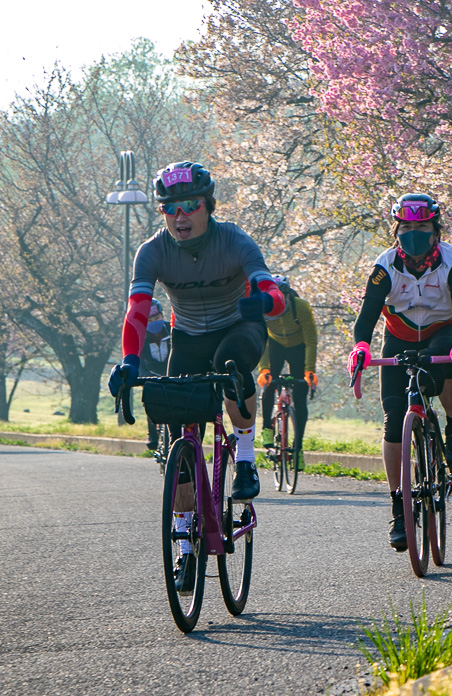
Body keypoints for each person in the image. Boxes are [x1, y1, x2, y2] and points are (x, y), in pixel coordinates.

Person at [108, 161, 285, 519]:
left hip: (238, 326)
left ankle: (247, 458)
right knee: (178, 437)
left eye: (191, 205)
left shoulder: (235, 240)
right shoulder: (152, 251)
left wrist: (263, 302)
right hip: (187, 337)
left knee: (231, 364)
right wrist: (130, 359)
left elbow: (274, 295)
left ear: (209, 205)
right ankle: (185, 541)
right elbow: (138, 310)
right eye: (170, 208)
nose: (180, 216)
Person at [347, 193, 452, 552]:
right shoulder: (385, 266)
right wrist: (361, 347)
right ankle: (399, 509)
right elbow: (367, 316)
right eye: (406, 227)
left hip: (443, 331)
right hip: (399, 339)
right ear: (396, 230)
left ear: (436, 231)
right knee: (393, 421)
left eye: (421, 227)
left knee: (447, 362)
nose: (413, 233)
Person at [257, 274, 318, 468]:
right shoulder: (263, 308)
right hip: (274, 344)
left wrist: (309, 370)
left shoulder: (301, 307)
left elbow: (310, 340)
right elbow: (261, 341)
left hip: (298, 346)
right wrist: (264, 368)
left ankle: (298, 448)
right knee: (268, 385)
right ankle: (267, 427)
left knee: (300, 397)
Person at [139, 298, 172, 449]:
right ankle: (152, 434)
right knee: (149, 397)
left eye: (157, 318)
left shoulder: (172, 331)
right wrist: (142, 375)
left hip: (173, 373)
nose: (154, 322)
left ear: (163, 316)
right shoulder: (141, 337)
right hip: (151, 375)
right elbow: (138, 361)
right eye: (150, 320)